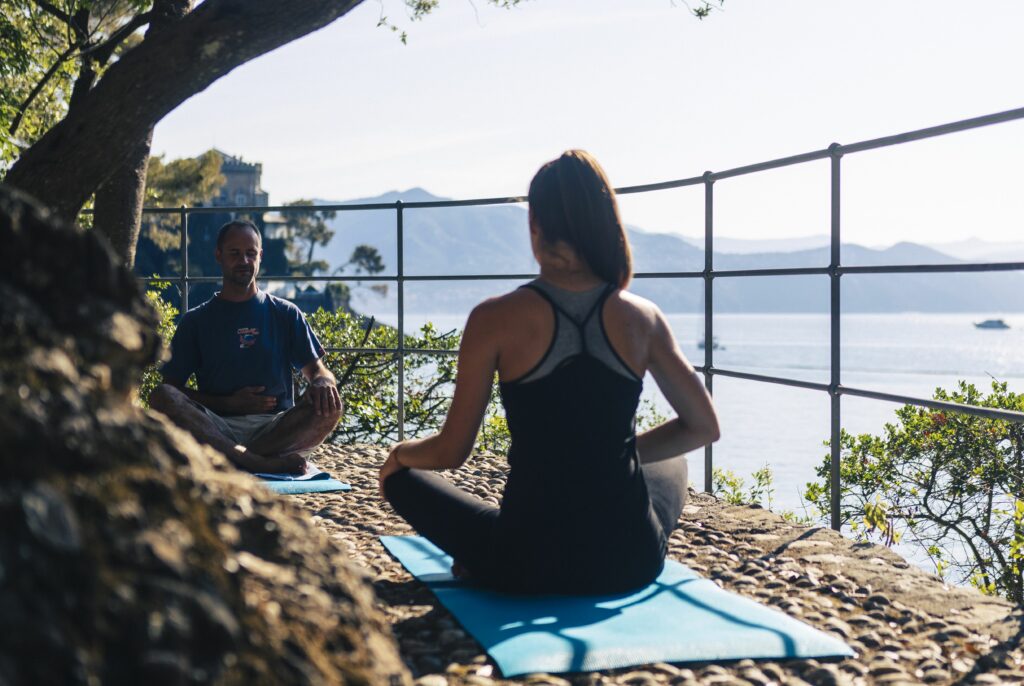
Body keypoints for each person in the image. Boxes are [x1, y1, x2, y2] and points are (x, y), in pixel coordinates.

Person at [379, 150, 720, 595]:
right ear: (606, 222)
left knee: (401, 479)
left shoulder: (493, 319)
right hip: (630, 562)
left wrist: (399, 454)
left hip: (523, 562)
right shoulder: (643, 318)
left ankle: (477, 557)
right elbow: (703, 426)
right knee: (672, 460)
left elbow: (450, 451)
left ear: (535, 223)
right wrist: (616, 453)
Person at [150, 219, 342, 475]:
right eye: (235, 253)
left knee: (330, 406)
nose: (244, 261)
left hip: (275, 430)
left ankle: (237, 458)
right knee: (161, 395)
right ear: (219, 255)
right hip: (215, 427)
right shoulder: (196, 321)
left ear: (260, 256)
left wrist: (323, 381)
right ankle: (257, 462)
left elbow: (317, 370)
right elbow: (171, 389)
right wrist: (229, 404)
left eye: (251, 253)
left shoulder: (286, 313)